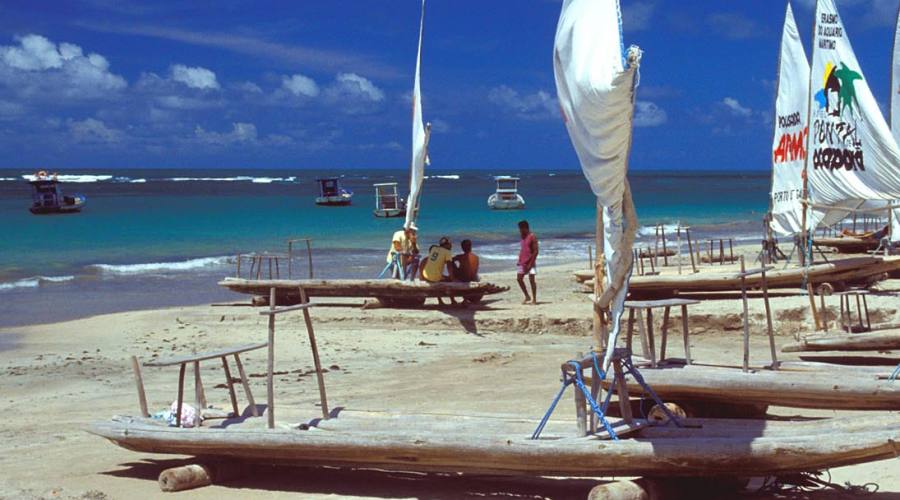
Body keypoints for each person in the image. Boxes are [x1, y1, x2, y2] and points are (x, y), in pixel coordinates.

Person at [516, 220, 538, 305]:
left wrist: (531, 263)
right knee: (519, 279)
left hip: (531, 262)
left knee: (532, 280)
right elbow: (523, 249)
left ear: (525, 228)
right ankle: (527, 296)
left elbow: (535, 251)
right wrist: (519, 259)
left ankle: (534, 299)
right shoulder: (522, 236)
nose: (520, 230)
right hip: (522, 262)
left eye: (521, 229)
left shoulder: (532, 236)